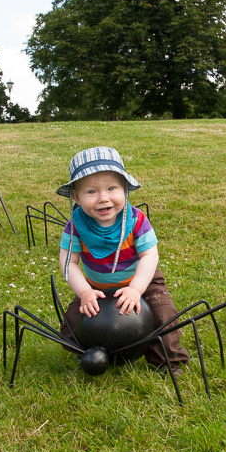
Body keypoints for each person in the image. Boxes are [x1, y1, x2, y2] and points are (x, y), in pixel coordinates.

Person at [56, 146, 189, 374]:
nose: (103, 198)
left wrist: (136, 289)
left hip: (141, 281)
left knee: (163, 315)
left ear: (125, 189)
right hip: (96, 286)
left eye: (111, 188)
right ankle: (96, 353)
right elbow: (69, 263)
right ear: (76, 197)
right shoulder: (75, 226)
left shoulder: (136, 220)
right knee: (71, 325)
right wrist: (85, 293)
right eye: (91, 192)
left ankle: (167, 361)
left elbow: (150, 255)